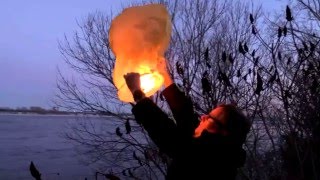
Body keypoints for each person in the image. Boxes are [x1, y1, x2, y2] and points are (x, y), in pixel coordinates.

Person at [124, 71, 251, 180]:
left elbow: (167, 134)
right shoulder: (221, 150)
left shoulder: (210, 161)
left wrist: (136, 91)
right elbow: (186, 117)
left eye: (210, 118)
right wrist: (164, 74)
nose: (203, 117)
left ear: (224, 132)